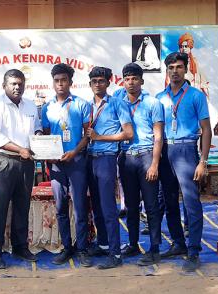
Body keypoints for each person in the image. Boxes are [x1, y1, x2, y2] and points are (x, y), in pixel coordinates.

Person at [156, 52, 212, 272]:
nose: (175, 71)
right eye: (171, 67)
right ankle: (178, 243)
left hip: (187, 148)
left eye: (179, 67)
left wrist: (203, 161)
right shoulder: (160, 97)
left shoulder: (196, 96)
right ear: (167, 70)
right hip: (165, 150)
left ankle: (194, 249)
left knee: (191, 201)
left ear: (186, 69)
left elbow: (206, 130)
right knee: (168, 200)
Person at [0, 69, 42, 269]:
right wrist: (20, 149)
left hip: (26, 164)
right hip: (2, 162)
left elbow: (37, 128)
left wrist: (40, 136)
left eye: (20, 83)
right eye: (13, 84)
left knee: (22, 205)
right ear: (4, 85)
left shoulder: (31, 105)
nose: (17, 87)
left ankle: (20, 246)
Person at [41, 63, 92, 267]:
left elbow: (88, 136)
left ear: (70, 82)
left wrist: (75, 151)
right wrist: (48, 155)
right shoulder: (47, 107)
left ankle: (81, 249)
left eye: (64, 80)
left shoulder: (81, 104)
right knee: (61, 207)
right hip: (56, 165)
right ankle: (66, 248)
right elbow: (45, 136)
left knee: (79, 208)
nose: (60, 84)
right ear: (53, 83)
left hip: (77, 162)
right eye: (56, 80)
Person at [85, 66, 133, 269]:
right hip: (89, 158)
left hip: (106, 157)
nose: (98, 84)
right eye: (94, 81)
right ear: (90, 84)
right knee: (95, 206)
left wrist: (100, 137)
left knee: (108, 207)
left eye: (101, 81)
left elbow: (128, 133)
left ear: (108, 83)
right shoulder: (87, 105)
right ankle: (103, 244)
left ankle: (115, 254)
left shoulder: (117, 104)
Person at [117, 63, 163, 266]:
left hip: (146, 156)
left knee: (151, 205)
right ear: (123, 82)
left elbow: (159, 136)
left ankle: (154, 249)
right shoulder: (119, 103)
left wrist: (154, 164)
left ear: (142, 81)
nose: (131, 82)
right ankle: (133, 244)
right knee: (131, 205)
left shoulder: (153, 103)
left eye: (135, 78)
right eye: (127, 79)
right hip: (126, 158)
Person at [165, 33, 209, 98]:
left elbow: (202, 81)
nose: (184, 48)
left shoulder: (194, 62)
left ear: (190, 47)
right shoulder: (174, 61)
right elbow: (168, 81)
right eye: (181, 46)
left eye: (186, 46)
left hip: (193, 95)